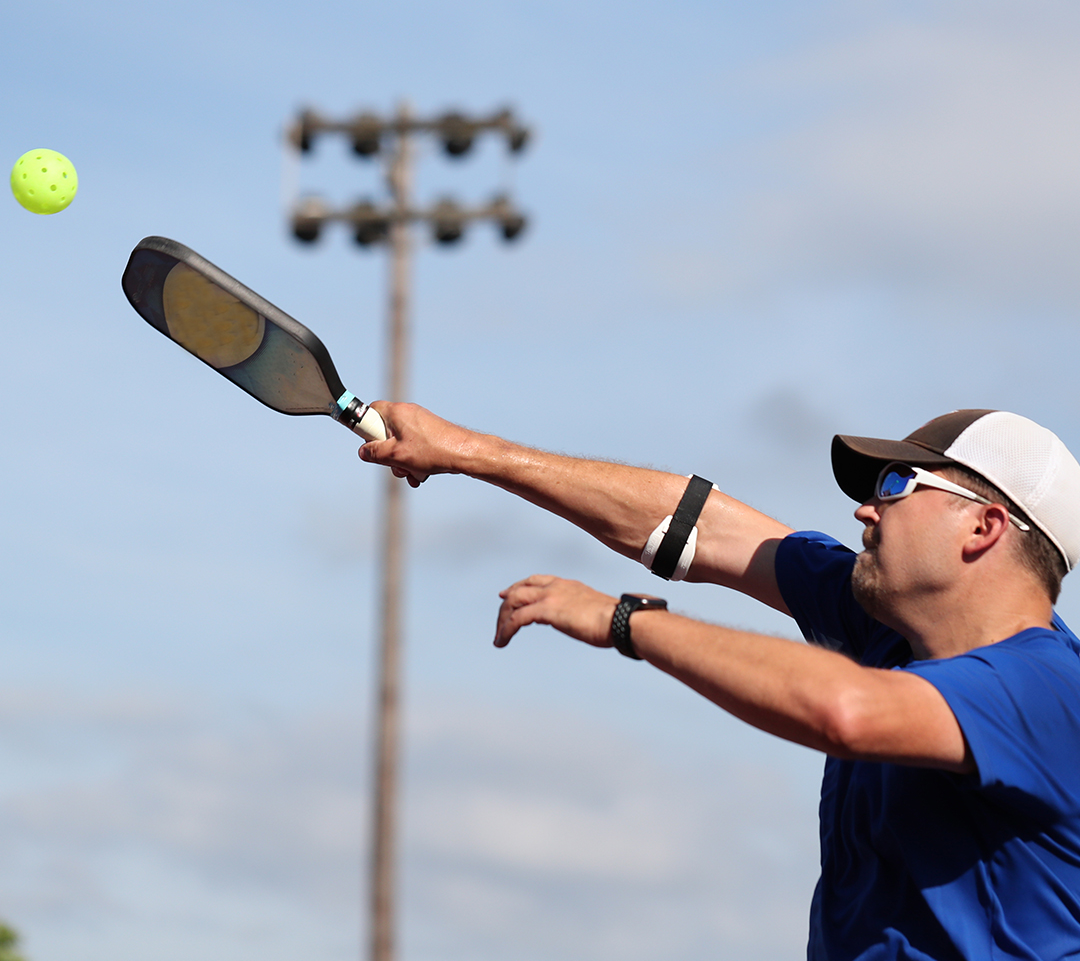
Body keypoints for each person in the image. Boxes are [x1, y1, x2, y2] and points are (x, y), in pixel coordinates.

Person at [359, 404, 1080, 961]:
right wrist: (469, 450)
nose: (866, 508)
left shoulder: (1047, 687)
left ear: (985, 527)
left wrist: (626, 621)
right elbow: (694, 525)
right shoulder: (888, 631)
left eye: (896, 485)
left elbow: (848, 712)